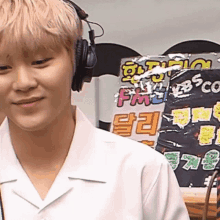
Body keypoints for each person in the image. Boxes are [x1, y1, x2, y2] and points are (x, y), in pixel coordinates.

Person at [0, 0, 190, 219]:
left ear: (80, 61)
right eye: (2, 68)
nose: (23, 83)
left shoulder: (144, 170)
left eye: (40, 61)